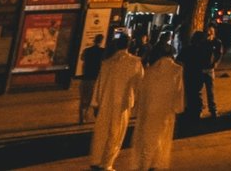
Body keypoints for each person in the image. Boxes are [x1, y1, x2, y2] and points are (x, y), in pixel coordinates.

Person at [87, 35, 144, 171]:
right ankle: (107, 163)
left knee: (101, 131)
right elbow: (140, 83)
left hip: (105, 101)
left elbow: (99, 84)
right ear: (129, 45)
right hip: (123, 104)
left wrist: (95, 103)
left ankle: (96, 160)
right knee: (116, 134)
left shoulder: (107, 63)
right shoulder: (135, 62)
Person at [132, 40, 185, 170]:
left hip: (149, 108)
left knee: (148, 137)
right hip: (166, 110)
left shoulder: (150, 70)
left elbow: (142, 90)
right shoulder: (176, 70)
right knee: (161, 137)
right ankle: (154, 163)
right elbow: (179, 91)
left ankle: (146, 164)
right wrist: (178, 108)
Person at [180, 30, 213, 121]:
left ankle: (192, 110)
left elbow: (180, 60)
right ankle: (197, 111)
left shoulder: (187, 49)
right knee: (196, 92)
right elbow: (207, 61)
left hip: (189, 73)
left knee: (190, 92)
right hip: (198, 73)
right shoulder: (203, 50)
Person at [77, 35, 105, 124]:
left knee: (84, 100)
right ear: (101, 41)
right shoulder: (102, 51)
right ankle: (97, 118)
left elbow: (82, 58)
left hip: (85, 78)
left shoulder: (87, 50)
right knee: (96, 100)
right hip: (95, 79)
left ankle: (82, 118)